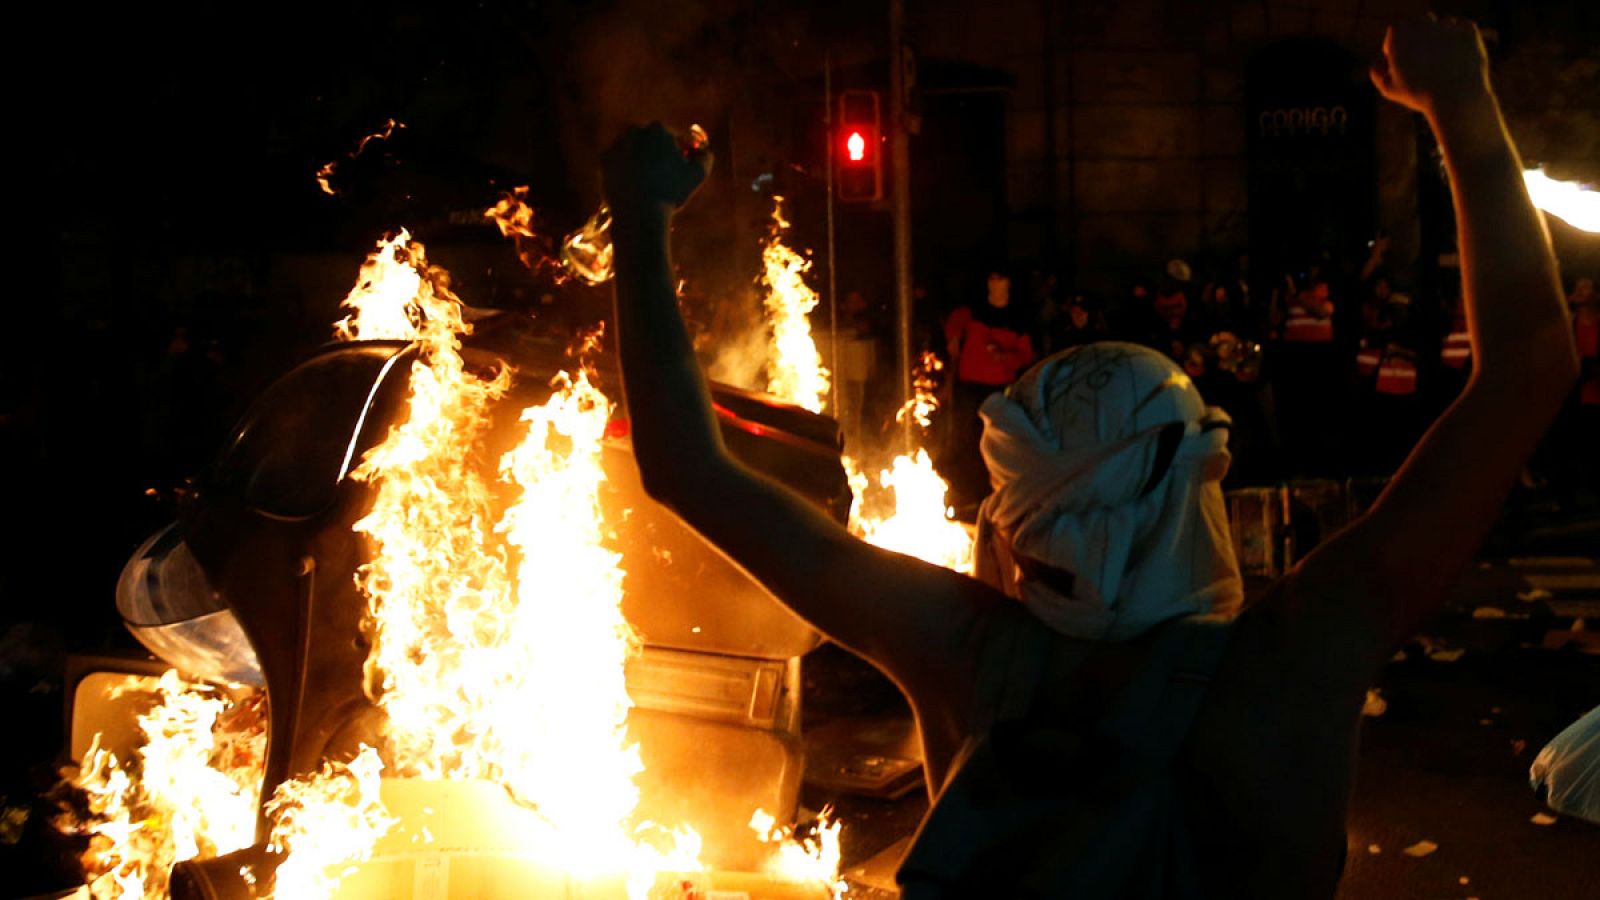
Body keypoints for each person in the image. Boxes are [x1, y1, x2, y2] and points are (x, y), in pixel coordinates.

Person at [603, 17, 1577, 897]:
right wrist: (1460, 99)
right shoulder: (1296, 655)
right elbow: (1528, 365)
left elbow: (687, 469)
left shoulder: (959, 649)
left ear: (1015, 513)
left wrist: (641, 218)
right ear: (1201, 471)